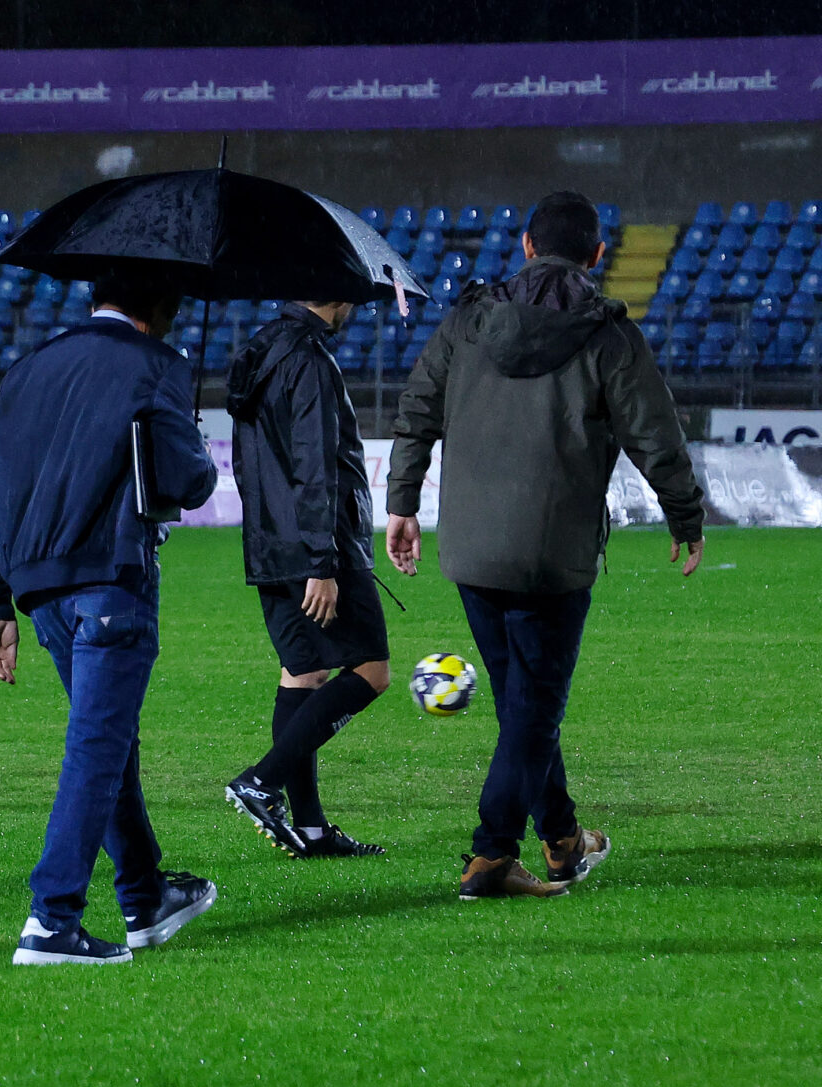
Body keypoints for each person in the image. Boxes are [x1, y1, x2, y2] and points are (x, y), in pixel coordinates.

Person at [386, 191, 705, 901]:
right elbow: (656, 436)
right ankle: (491, 855)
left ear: (525, 246)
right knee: (533, 711)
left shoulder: (467, 319)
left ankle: (563, 839)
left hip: (470, 548)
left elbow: (415, 413)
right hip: (553, 556)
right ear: (597, 256)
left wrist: (402, 503)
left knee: (522, 705)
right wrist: (685, 514)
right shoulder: (607, 335)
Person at [0, 268, 221, 965]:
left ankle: (145, 899)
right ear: (164, 309)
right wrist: (194, 445)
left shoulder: (27, 369)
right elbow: (187, 482)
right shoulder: (158, 365)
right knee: (96, 749)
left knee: (109, 746)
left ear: (94, 299)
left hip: (41, 593)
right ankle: (52, 921)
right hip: (111, 579)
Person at [222, 299, 391, 858]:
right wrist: (322, 561)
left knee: (303, 673)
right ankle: (262, 779)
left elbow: (250, 464)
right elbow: (315, 461)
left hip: (269, 541)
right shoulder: (310, 358)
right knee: (371, 670)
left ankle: (312, 829)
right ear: (335, 295)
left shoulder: (258, 352)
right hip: (318, 545)